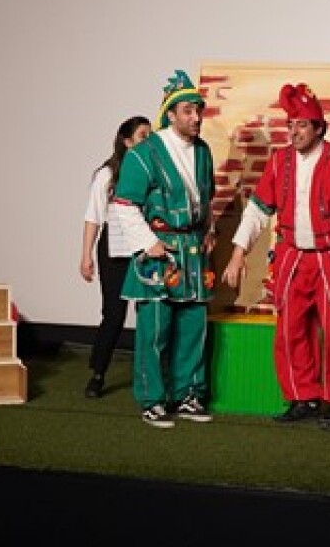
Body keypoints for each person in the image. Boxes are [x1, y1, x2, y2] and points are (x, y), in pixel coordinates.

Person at [222, 83, 330, 429]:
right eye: (290, 125)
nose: (293, 132)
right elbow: (257, 210)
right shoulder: (279, 162)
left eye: (302, 125)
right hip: (293, 256)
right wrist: (238, 253)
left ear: (319, 128)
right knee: (290, 329)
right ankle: (301, 396)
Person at [112, 70, 217, 428]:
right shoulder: (144, 154)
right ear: (170, 114)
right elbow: (124, 204)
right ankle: (153, 400)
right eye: (188, 111)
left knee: (193, 328)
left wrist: (209, 229)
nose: (196, 117)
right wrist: (148, 243)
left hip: (193, 251)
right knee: (155, 330)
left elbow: (206, 198)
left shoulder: (203, 152)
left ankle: (189, 395)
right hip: (160, 251)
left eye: (199, 110)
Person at [79, 115, 153, 399]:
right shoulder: (108, 174)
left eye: (151, 135)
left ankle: (152, 376)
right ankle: (97, 374)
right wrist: (86, 255)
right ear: (127, 141)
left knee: (150, 314)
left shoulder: (154, 170)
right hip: (115, 251)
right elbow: (93, 217)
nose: (148, 141)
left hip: (145, 249)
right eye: (143, 136)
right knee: (114, 314)